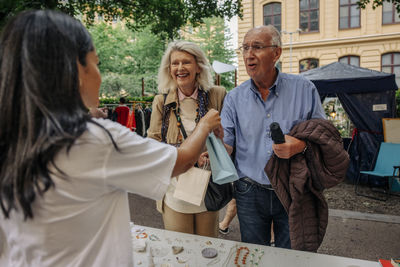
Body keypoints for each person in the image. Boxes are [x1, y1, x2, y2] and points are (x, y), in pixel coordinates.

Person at [0, 10, 223, 267]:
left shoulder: (12, 136)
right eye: (96, 63)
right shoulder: (96, 140)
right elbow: (181, 160)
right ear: (75, 69)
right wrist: (205, 125)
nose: (100, 74)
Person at [220, 25, 327, 249]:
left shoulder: (305, 89)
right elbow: (227, 146)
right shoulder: (233, 98)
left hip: (293, 188)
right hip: (249, 190)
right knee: (253, 255)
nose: (249, 54)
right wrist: (211, 143)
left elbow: (324, 137)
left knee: (292, 255)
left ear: (276, 53)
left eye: (257, 47)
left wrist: (301, 145)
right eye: (245, 48)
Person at [147, 40, 226, 237]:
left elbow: (229, 137)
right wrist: (187, 158)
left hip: (208, 187)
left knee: (209, 249)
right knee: (180, 250)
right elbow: (153, 144)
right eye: (175, 63)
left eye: (186, 62)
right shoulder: (161, 101)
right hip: (175, 188)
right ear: (169, 68)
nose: (180, 68)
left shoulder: (217, 95)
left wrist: (214, 152)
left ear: (198, 66)